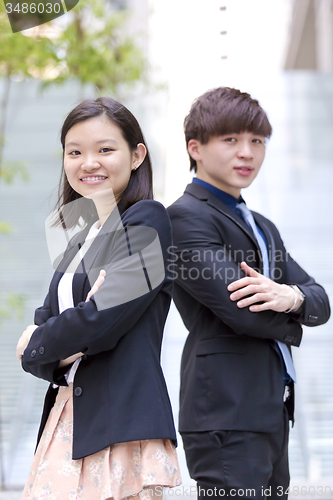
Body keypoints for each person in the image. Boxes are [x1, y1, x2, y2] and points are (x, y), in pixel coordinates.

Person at [167, 87, 330, 499]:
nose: (248, 153)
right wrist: (294, 316)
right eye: (231, 140)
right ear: (196, 148)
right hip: (225, 412)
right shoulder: (184, 218)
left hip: (271, 409)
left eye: (257, 141)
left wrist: (291, 296)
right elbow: (243, 311)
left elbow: (320, 299)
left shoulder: (262, 225)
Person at [16, 97, 181, 500]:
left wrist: (42, 344)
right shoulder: (76, 233)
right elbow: (50, 323)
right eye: (75, 152)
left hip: (121, 423)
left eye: (105, 149)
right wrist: (51, 347)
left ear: (137, 154)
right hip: (66, 416)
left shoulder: (148, 219)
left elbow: (101, 322)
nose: (89, 162)